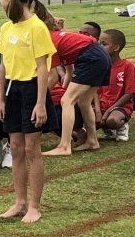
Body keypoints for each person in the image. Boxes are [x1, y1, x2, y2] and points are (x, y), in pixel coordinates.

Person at [0, 0, 56, 223]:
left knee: (32, 149)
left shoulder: (37, 27)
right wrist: (1, 98)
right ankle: (19, 201)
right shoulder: (6, 27)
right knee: (16, 147)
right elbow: (3, 65)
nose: (0, 1)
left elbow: (43, 68)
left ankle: (34, 205)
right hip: (12, 90)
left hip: (32, 90)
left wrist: (41, 103)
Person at [45, 25, 109, 156]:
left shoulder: (48, 41)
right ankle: (92, 140)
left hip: (91, 58)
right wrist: (64, 90)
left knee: (67, 101)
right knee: (84, 102)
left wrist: (39, 99)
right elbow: (69, 71)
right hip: (100, 55)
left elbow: (52, 78)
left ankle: (64, 146)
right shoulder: (61, 38)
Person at [95, 29, 135, 142]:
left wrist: (107, 112)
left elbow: (129, 93)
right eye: (99, 43)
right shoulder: (99, 65)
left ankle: (121, 126)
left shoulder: (127, 66)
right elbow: (94, 90)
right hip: (101, 105)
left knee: (112, 121)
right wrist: (97, 110)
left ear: (116, 48)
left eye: (104, 44)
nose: (100, 46)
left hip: (120, 106)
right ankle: (107, 129)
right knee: (89, 121)